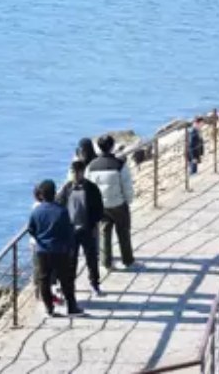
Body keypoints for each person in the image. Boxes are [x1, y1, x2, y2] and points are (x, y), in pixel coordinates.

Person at [28, 180, 83, 317]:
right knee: (66, 279)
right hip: (60, 249)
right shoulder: (62, 211)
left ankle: (49, 308)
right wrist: (70, 247)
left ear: (41, 194)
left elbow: (31, 229)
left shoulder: (37, 211)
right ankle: (71, 307)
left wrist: (40, 239)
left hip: (42, 250)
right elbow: (69, 231)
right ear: (54, 193)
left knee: (44, 279)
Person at [87, 135, 137, 271]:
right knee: (123, 232)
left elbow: (88, 188)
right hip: (118, 203)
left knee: (104, 233)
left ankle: (106, 263)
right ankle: (128, 260)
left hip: (101, 206)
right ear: (112, 147)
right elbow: (127, 185)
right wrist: (129, 200)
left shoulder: (91, 166)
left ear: (99, 147)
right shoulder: (119, 164)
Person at [57, 160, 106, 296]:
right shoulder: (66, 188)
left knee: (91, 259)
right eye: (72, 172)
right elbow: (60, 205)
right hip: (71, 231)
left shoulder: (92, 188)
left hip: (88, 229)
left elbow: (99, 209)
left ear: (83, 172)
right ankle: (69, 286)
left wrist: (93, 223)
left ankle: (95, 284)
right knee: (70, 260)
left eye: (77, 172)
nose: (74, 175)